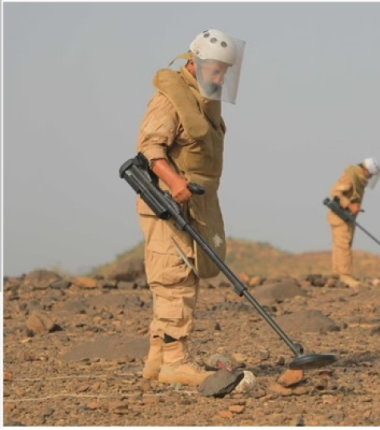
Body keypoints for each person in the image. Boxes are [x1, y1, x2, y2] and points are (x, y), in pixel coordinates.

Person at [134, 29, 245, 386]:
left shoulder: (202, 100)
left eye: (224, 71)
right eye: (215, 69)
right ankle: (176, 362)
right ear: (194, 64)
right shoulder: (170, 99)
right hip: (168, 204)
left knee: (178, 277)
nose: (219, 77)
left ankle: (155, 360)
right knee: (174, 279)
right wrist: (177, 182)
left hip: (195, 202)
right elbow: (151, 148)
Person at [326, 158, 380, 288]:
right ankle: (345, 275)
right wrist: (349, 205)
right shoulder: (351, 176)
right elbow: (335, 192)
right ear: (365, 170)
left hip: (347, 217)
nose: (370, 178)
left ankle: (337, 273)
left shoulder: (358, 178)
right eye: (370, 174)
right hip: (340, 216)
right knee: (343, 245)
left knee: (341, 245)